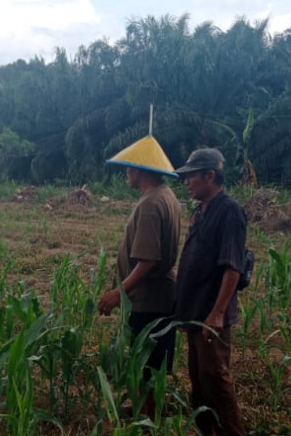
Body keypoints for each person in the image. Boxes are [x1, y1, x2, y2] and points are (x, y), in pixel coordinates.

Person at [99, 135, 182, 419]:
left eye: (130, 167)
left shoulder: (150, 204)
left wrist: (118, 293)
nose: (127, 172)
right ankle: (143, 409)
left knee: (146, 361)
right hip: (161, 297)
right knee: (150, 362)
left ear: (141, 170)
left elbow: (147, 260)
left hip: (149, 300)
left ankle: (149, 418)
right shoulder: (166, 196)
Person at [174, 148, 247, 436]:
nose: (186, 182)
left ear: (210, 176)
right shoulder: (200, 211)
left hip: (210, 315)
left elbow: (232, 266)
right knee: (199, 380)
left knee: (216, 379)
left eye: (191, 176)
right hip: (195, 312)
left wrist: (217, 313)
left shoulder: (229, 211)